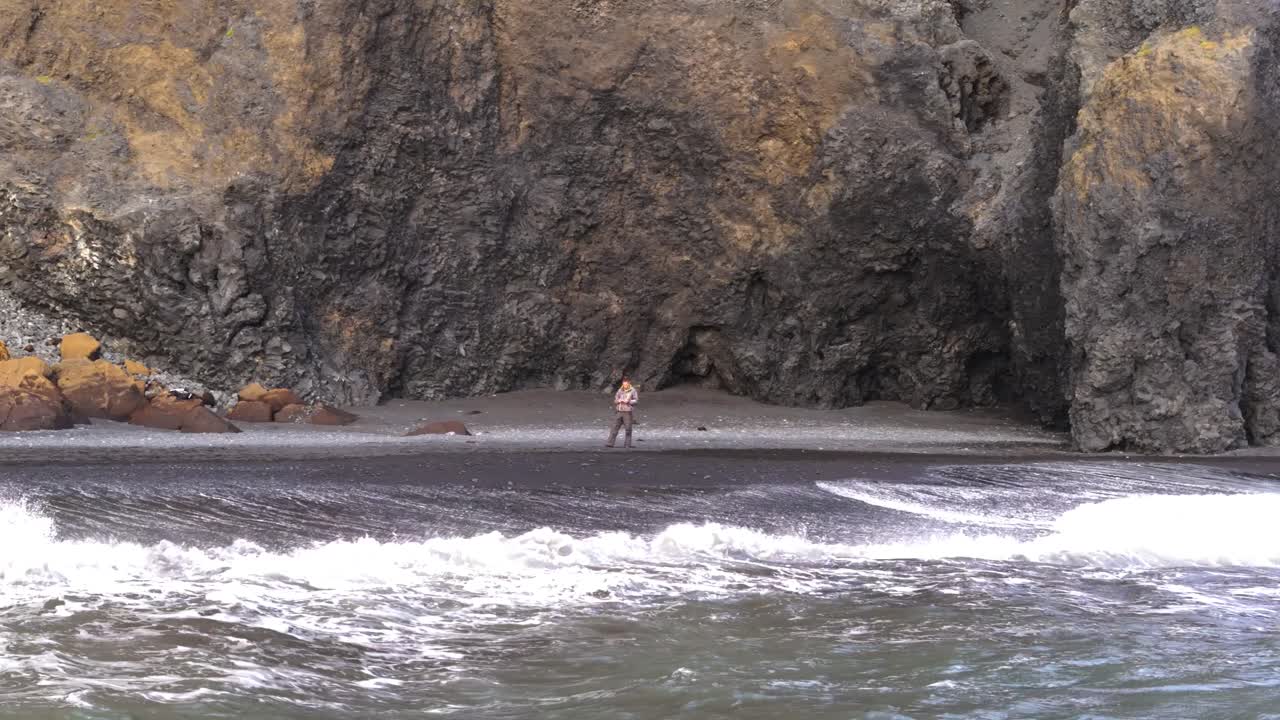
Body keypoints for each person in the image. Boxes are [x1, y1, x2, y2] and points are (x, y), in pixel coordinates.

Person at [606, 378, 639, 448]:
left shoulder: (633, 390)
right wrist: (618, 401)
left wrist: (629, 401)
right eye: (624, 384)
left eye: (626, 385)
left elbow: (636, 400)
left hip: (627, 412)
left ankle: (627, 444)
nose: (625, 386)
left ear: (629, 383)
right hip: (619, 411)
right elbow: (615, 399)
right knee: (614, 427)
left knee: (628, 429)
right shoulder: (620, 390)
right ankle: (610, 443)